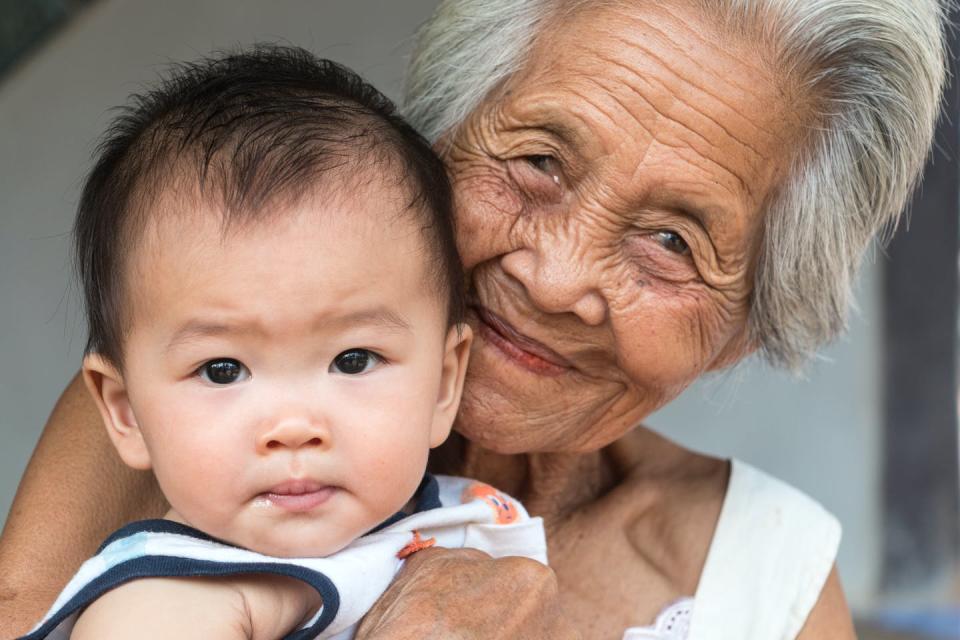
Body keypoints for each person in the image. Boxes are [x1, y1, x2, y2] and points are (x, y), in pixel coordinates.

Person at [0, 1, 949, 638]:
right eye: (539, 163)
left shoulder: (767, 578)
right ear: (438, 146)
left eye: (671, 240)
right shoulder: (207, 410)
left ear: (748, 324)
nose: (555, 279)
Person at [13, 47, 546, 640]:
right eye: (222, 370)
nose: (293, 427)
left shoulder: (433, 518)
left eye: (353, 360)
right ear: (125, 412)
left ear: (445, 383)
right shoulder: (172, 600)